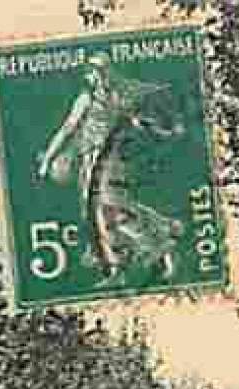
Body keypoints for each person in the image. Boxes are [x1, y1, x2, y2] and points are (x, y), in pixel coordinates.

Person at [35, 53, 188, 288]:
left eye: (93, 72)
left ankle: (132, 258)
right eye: (89, 72)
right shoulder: (97, 99)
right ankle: (150, 241)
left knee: (107, 211)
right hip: (94, 160)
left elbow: (138, 122)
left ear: (101, 74)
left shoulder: (107, 99)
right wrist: (48, 158)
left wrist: (166, 132)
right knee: (107, 210)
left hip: (109, 162)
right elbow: (69, 130)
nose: (90, 76)